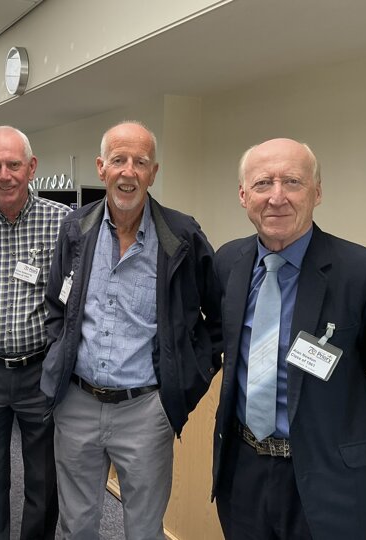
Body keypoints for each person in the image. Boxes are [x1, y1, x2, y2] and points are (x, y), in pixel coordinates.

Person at [212, 138, 366, 539]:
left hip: (330, 477)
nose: (277, 197)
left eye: (292, 182)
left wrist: (341, 433)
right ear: (243, 195)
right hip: (243, 470)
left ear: (317, 192)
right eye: (262, 183)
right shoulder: (229, 262)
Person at [41, 121, 222, 539]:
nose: (129, 172)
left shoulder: (182, 236)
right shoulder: (76, 228)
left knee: (143, 530)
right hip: (77, 403)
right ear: (101, 168)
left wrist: (184, 386)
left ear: (153, 173)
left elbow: (217, 319)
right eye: (119, 160)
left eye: (140, 162)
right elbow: (56, 306)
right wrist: (58, 358)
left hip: (146, 411)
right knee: (76, 526)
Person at [0, 125, 68, 539]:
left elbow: (74, 302)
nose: (4, 175)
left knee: (44, 477)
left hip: (40, 370)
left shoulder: (63, 222)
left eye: (13, 165)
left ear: (31, 167)